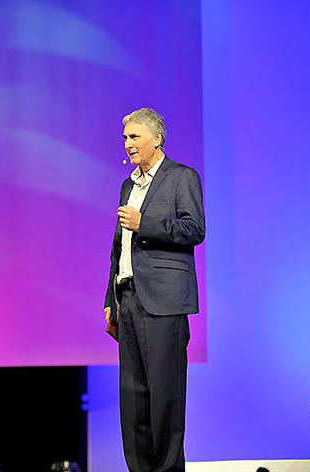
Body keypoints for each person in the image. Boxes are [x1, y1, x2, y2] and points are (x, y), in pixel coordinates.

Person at [104, 108, 205, 472]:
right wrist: (110, 300)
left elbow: (194, 229)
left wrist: (145, 223)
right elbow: (119, 246)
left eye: (134, 137)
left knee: (165, 398)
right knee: (134, 401)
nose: (127, 144)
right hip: (128, 301)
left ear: (156, 139)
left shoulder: (182, 177)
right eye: (125, 138)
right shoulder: (128, 185)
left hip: (164, 303)